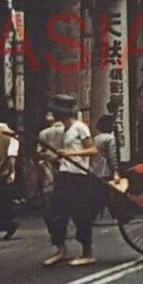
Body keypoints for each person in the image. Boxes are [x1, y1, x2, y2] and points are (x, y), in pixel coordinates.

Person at [40, 94, 98, 267]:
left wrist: (70, 154)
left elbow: (93, 150)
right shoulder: (64, 130)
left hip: (79, 176)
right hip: (65, 175)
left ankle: (88, 253)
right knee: (53, 213)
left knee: (81, 215)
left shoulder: (80, 127)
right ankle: (61, 249)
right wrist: (54, 156)